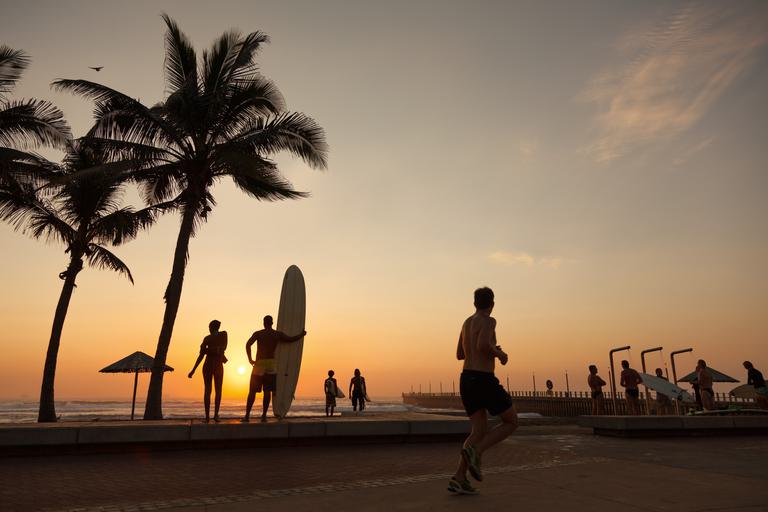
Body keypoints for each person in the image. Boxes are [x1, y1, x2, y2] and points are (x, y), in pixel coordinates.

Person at [448, 287, 517, 495]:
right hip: (483, 379)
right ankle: (477, 452)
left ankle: (459, 478)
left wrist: (488, 347)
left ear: (474, 303)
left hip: (466, 379)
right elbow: (482, 345)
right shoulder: (488, 320)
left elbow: (460, 354)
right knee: (512, 421)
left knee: (478, 430)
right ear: (492, 303)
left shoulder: (466, 322)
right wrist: (499, 353)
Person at [243, 315, 306, 422]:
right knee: (267, 391)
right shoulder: (277, 334)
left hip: (259, 364)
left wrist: (250, 359)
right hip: (271, 364)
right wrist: (301, 334)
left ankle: (247, 416)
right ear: (272, 323)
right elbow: (290, 339)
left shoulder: (258, 333)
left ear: (264, 323)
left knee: (252, 391)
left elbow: (248, 344)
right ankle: (263, 417)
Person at [188, 320, 228, 423]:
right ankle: (212, 416)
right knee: (215, 390)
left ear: (211, 327)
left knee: (209, 390)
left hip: (210, 364)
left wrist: (208, 350)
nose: (209, 329)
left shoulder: (216, 336)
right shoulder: (217, 336)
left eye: (209, 327)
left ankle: (210, 416)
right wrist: (193, 370)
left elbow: (222, 348)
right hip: (214, 365)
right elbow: (204, 354)